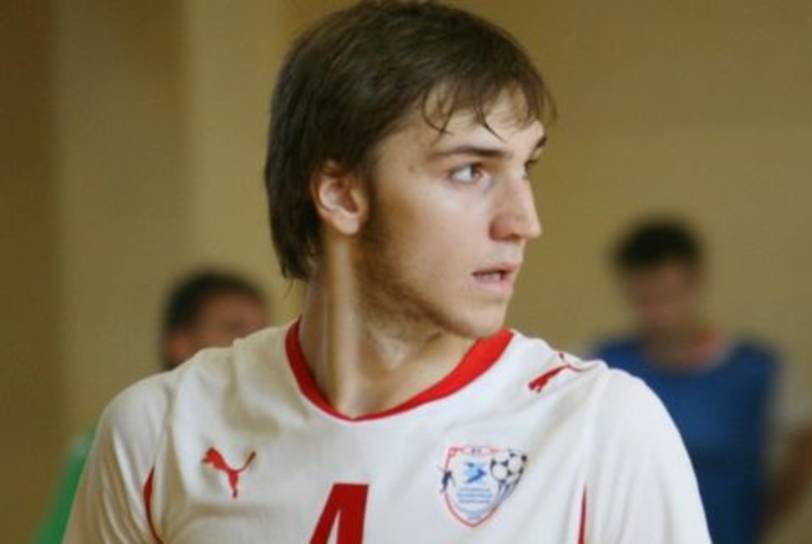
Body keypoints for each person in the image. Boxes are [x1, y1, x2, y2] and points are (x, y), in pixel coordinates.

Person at [65, 3, 710, 542]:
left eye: (525, 168)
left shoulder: (602, 431)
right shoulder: (159, 433)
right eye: (470, 171)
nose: (524, 221)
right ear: (342, 194)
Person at [593, 219, 812, 544]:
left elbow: (810, 442)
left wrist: (765, 517)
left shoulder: (759, 369)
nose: (659, 314)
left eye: (667, 296)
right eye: (644, 300)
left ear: (696, 282)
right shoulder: (601, 366)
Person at [34, 269, 268, 543]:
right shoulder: (129, 433)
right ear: (180, 343)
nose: (251, 346)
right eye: (234, 329)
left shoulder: (267, 431)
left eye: (262, 331)